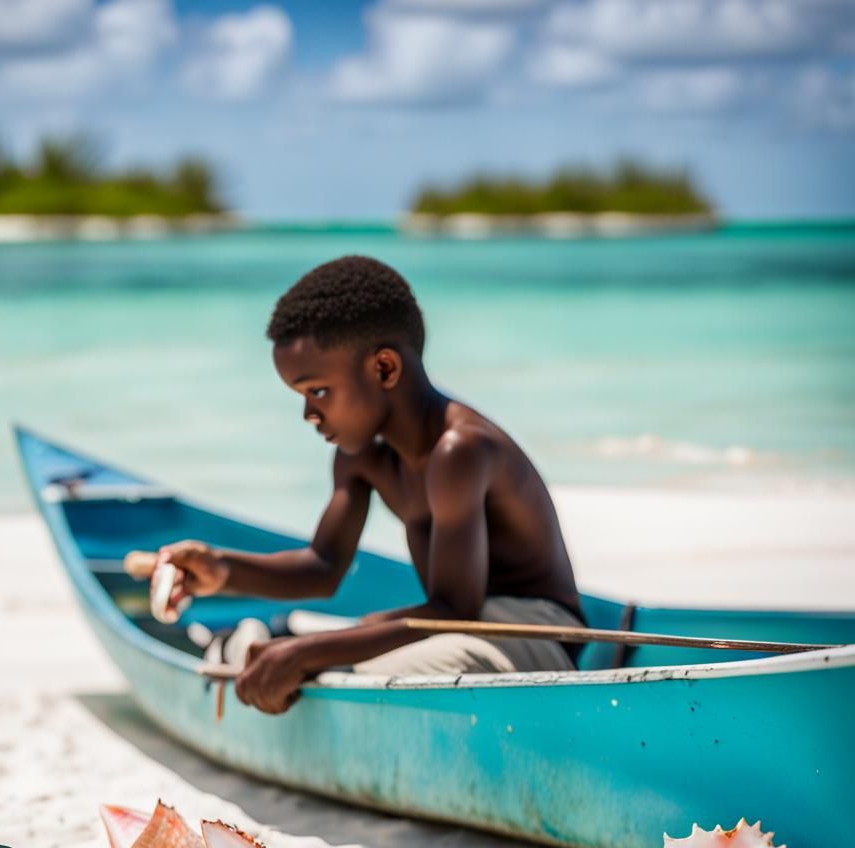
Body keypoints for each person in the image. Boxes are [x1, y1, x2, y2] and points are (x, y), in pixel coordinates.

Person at [155, 255, 584, 714]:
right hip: (452, 624)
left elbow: (453, 609)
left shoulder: (459, 451)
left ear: (383, 369)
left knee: (334, 669)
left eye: (318, 391)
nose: (309, 414)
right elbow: (322, 567)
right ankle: (261, 645)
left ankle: (259, 646)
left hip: (532, 632)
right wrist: (221, 569)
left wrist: (307, 653)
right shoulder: (362, 457)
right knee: (328, 657)